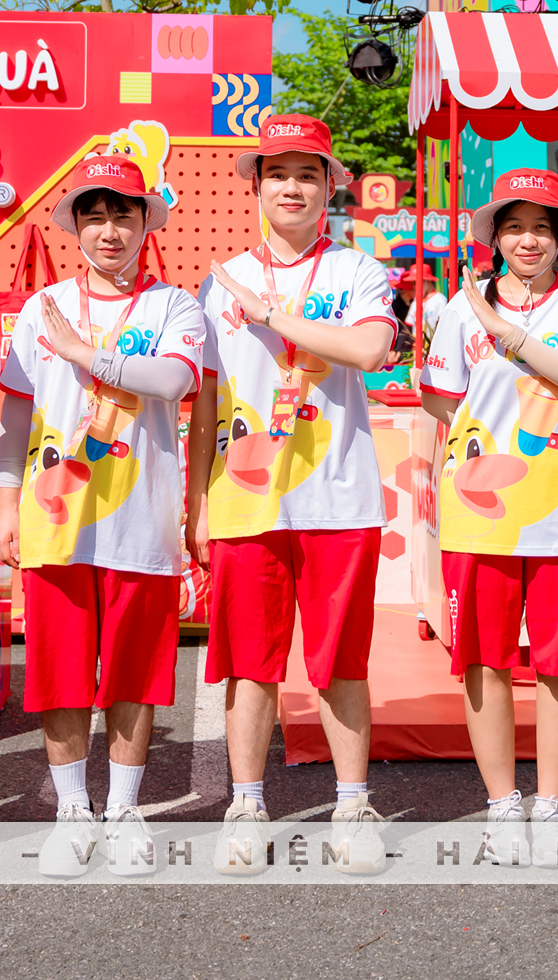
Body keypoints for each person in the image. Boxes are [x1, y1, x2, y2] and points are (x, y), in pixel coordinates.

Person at [187, 114, 397, 876]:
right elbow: (206, 405)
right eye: (277, 173)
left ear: (329, 187)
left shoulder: (357, 271)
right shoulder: (218, 284)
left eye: (308, 175)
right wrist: (198, 504)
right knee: (251, 665)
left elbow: (371, 349)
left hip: (339, 498)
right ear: (256, 184)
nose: (292, 188)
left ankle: (352, 805)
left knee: (340, 661)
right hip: (245, 502)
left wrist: (274, 315)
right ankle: (246, 804)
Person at [0, 154, 205, 880]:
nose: (109, 230)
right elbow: (15, 417)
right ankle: (72, 812)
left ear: (146, 223)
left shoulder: (173, 306)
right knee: (58, 677)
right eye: (95, 216)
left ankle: (122, 811)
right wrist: (5, 503)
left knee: (133, 677)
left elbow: (173, 380)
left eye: (123, 214)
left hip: (141, 521)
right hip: (55, 520)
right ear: (76, 227)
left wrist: (83, 353)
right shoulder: (40, 308)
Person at [419, 170, 558, 867]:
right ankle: (503, 804)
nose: (527, 240)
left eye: (540, 227)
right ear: (495, 238)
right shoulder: (459, 308)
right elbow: (441, 399)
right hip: (482, 515)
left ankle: (552, 803)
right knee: (484, 661)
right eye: (513, 227)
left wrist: (507, 334)